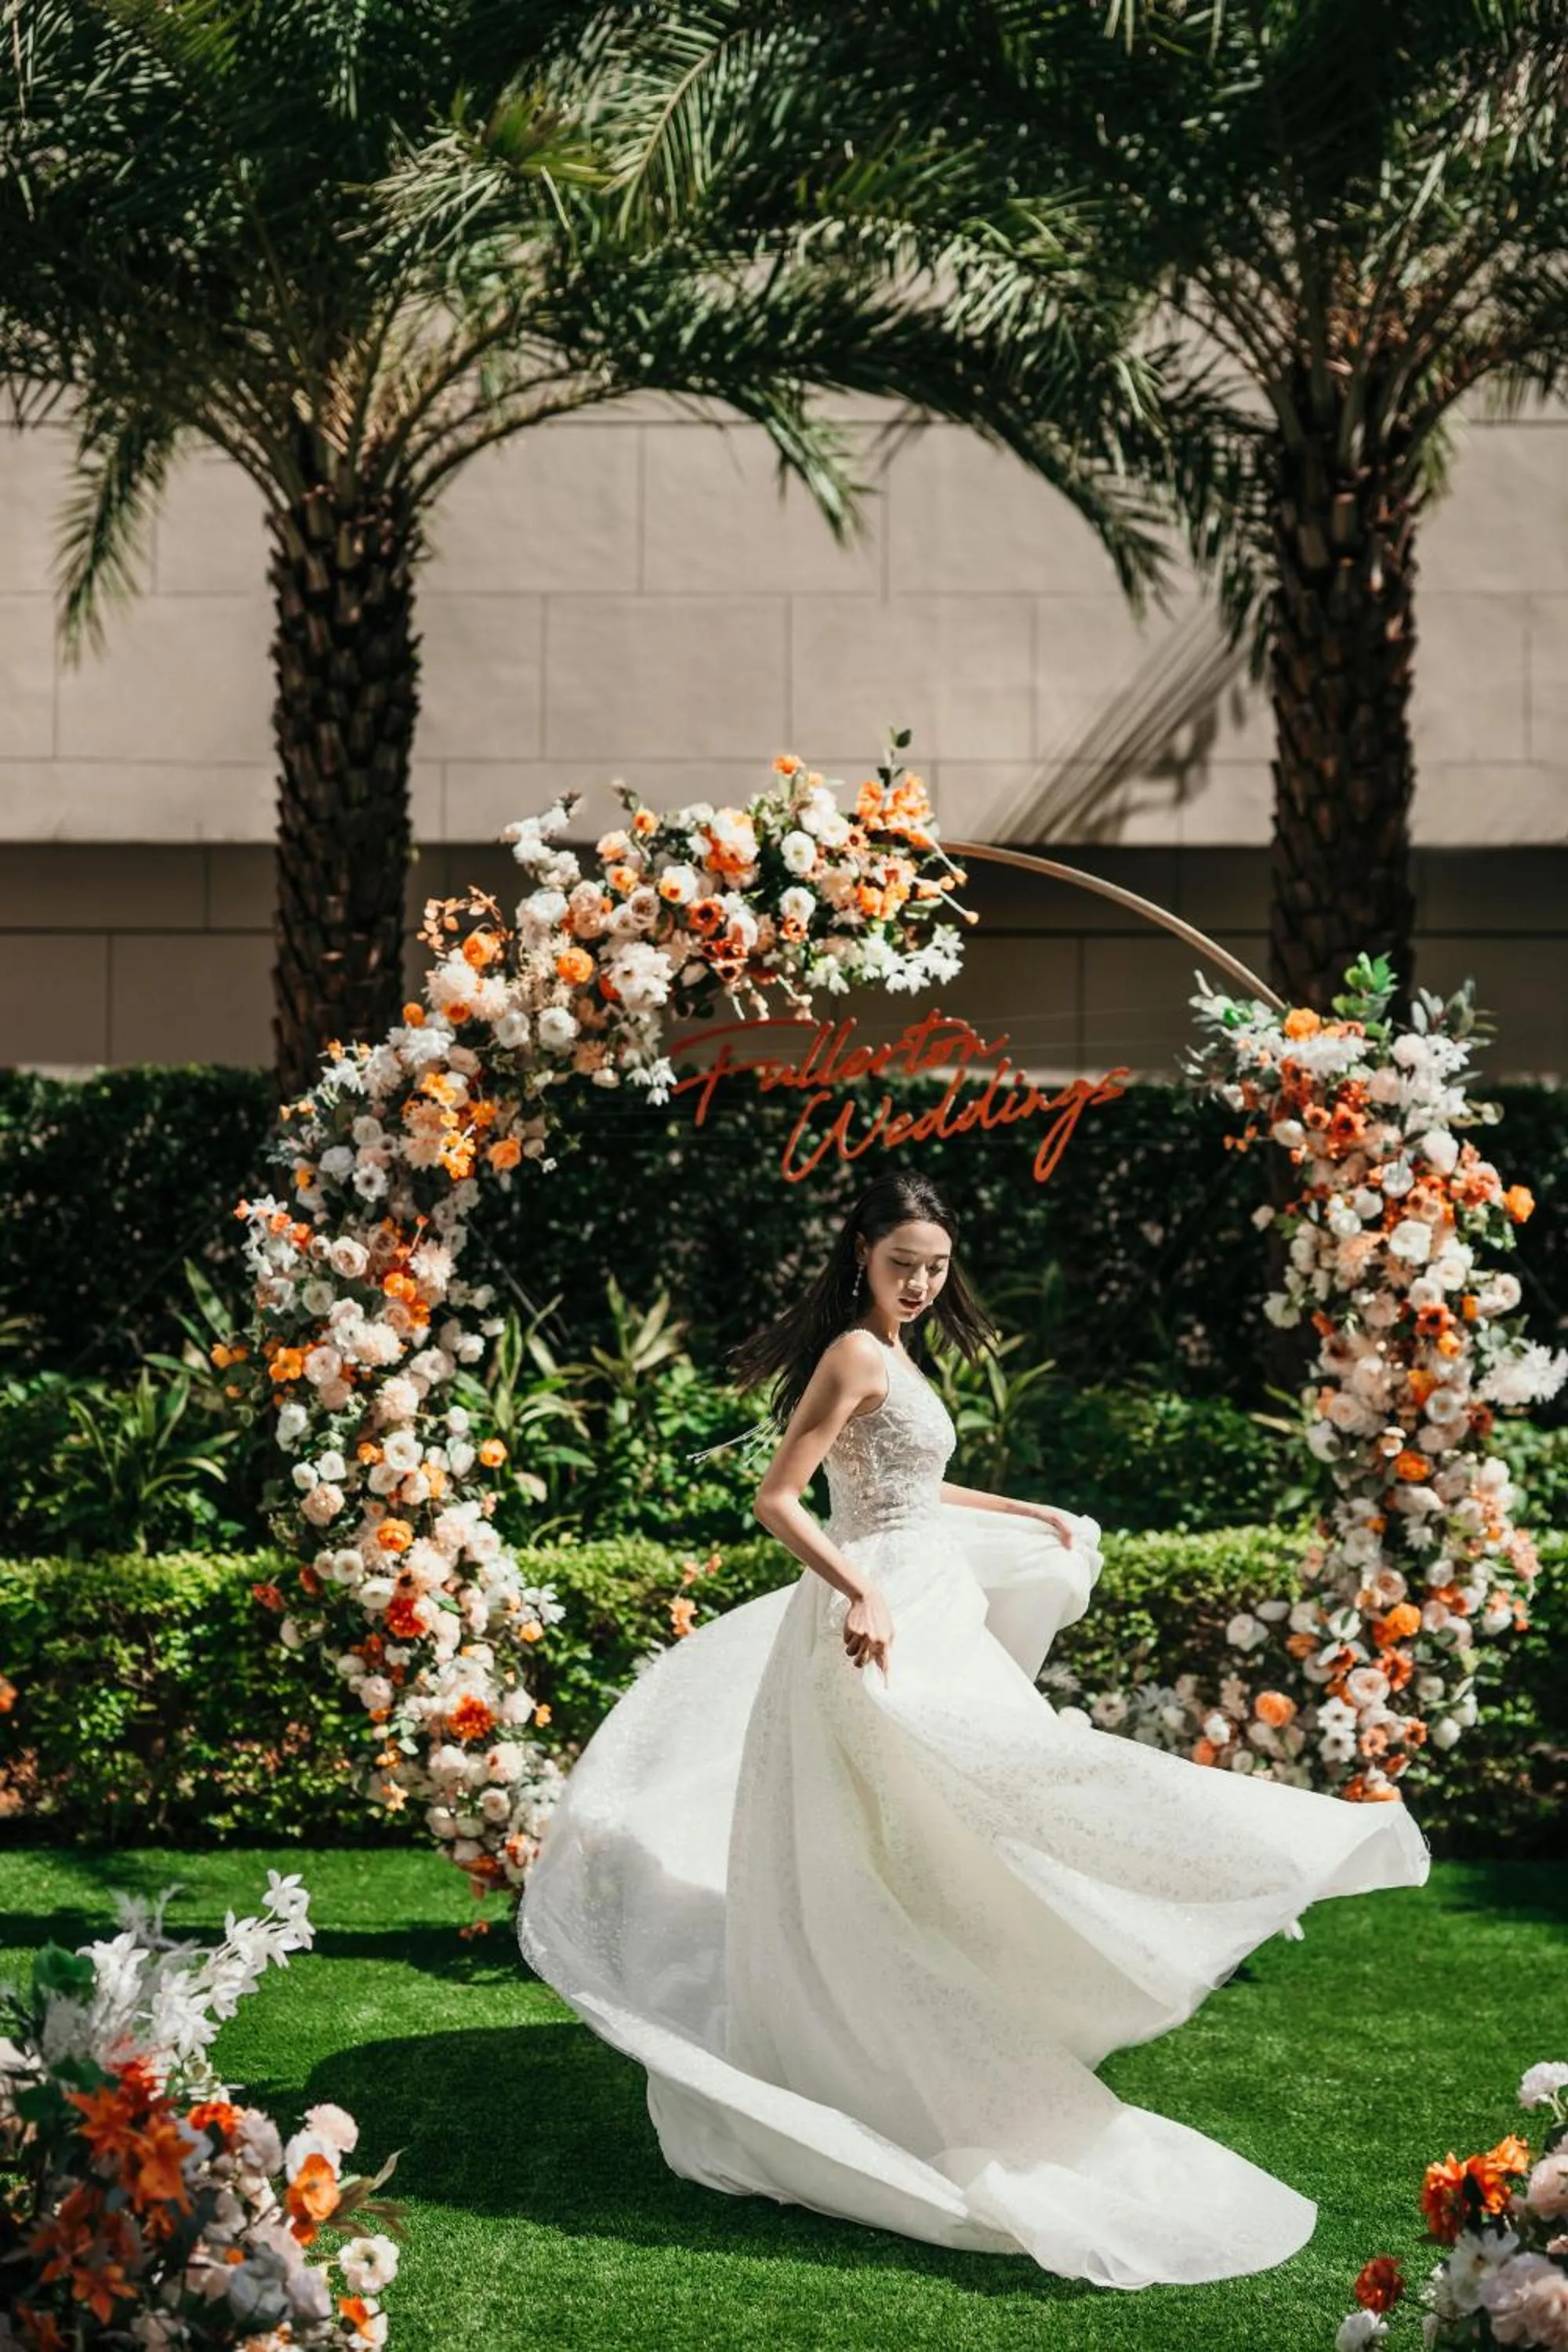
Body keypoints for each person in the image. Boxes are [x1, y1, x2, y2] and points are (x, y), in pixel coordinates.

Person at [518, 1171, 1431, 2289]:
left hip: (924, 1594)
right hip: (875, 1622)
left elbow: (913, 1486)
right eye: (904, 1262)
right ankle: (882, 2048)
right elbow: (782, 1499)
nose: (921, 1283)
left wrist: (1025, 1510)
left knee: (969, 1808)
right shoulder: (854, 1352)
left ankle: (1018, 1979)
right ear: (860, 1252)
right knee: (936, 1805)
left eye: (937, 1267)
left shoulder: (903, 1359)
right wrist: (857, 1590)